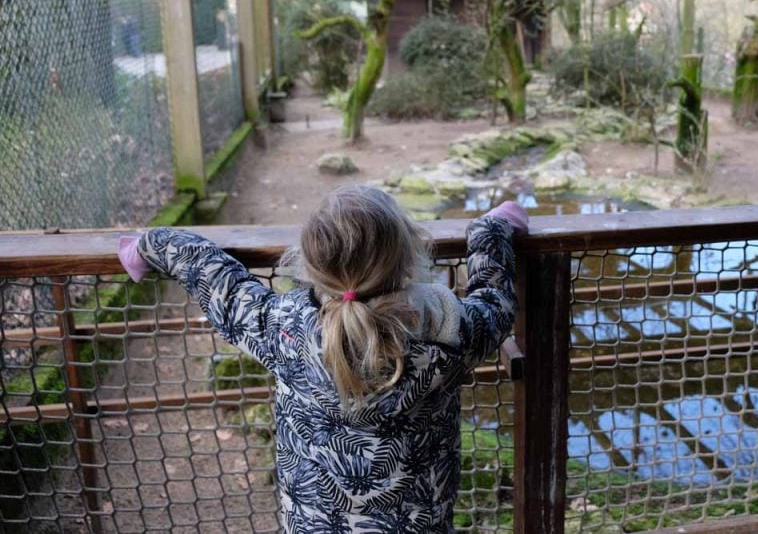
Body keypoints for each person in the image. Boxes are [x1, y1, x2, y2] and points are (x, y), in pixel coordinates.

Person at [117, 185, 528, 532]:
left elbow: (216, 278)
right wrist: (491, 229)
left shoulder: (280, 329)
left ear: (310, 264)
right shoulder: (455, 331)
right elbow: (495, 299)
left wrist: (148, 247)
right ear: (405, 256)